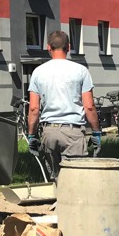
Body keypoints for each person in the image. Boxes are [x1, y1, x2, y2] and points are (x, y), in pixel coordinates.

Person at [26, 30, 101, 174]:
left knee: (56, 179)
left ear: (49, 47)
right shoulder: (81, 71)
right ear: (69, 46)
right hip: (73, 132)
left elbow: (34, 108)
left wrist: (32, 135)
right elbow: (89, 107)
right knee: (76, 178)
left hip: (49, 133)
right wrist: (96, 132)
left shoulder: (38, 72)